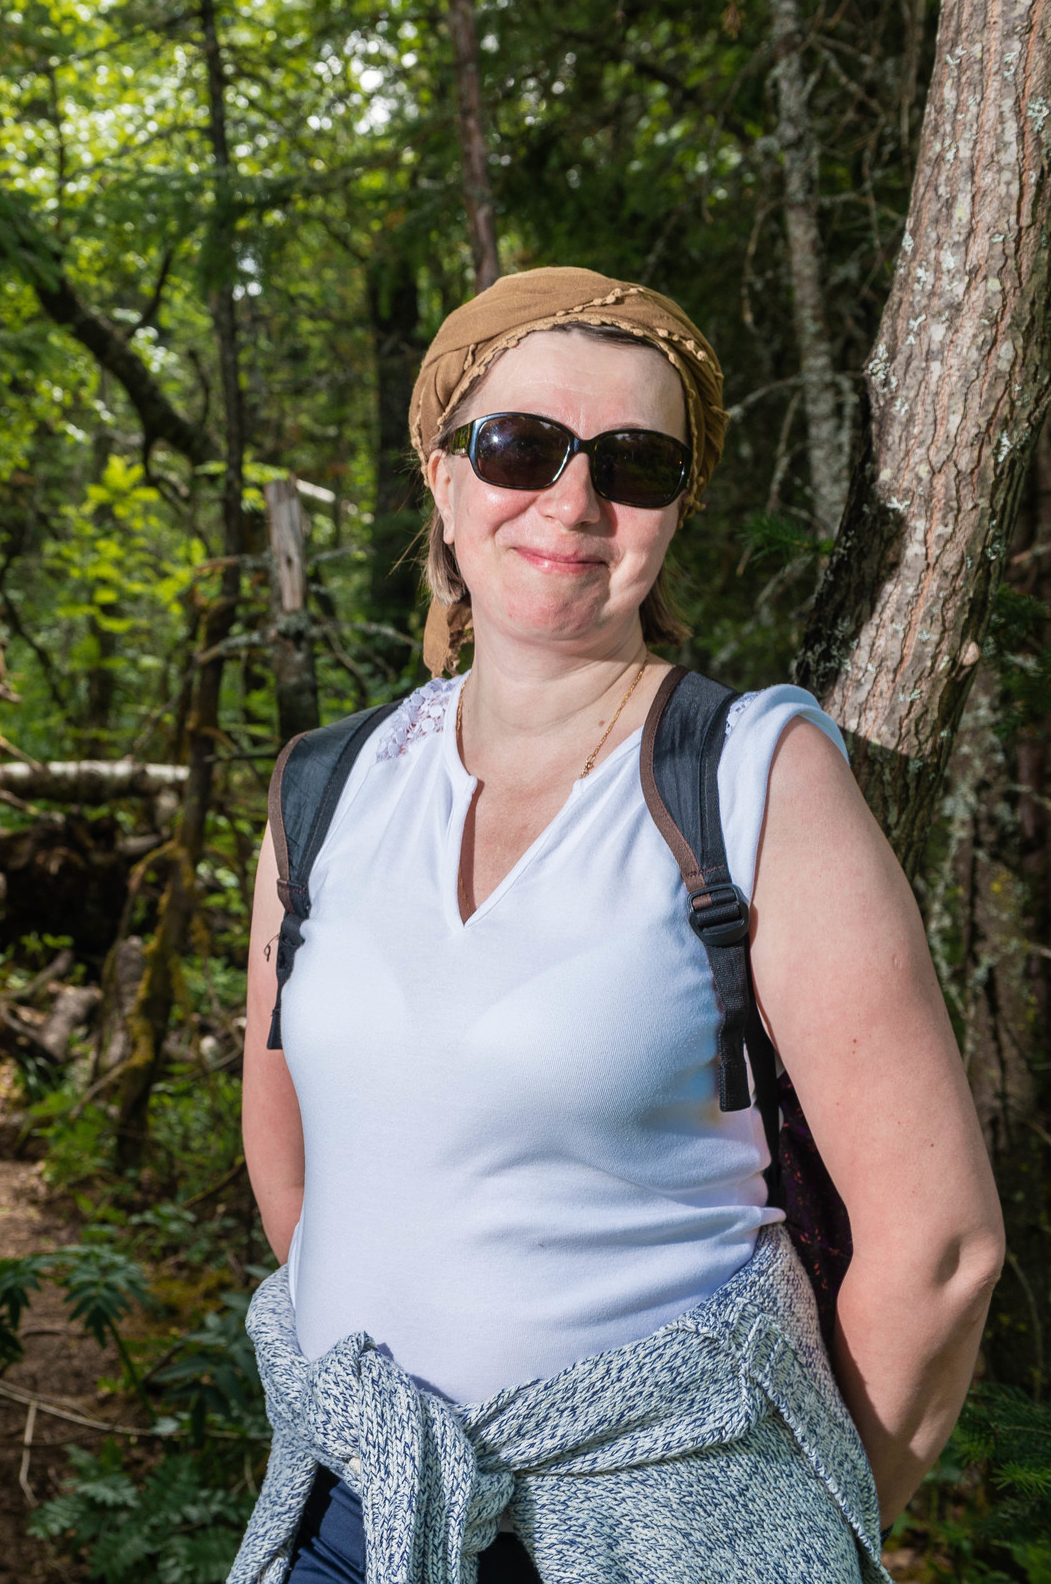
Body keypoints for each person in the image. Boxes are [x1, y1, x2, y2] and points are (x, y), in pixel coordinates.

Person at [234, 268, 1003, 1584]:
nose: (573, 499)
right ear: (443, 476)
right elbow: (291, 1160)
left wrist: (788, 1524)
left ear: (675, 509)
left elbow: (939, 1249)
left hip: (673, 1537)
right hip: (352, 1518)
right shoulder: (327, 786)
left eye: (634, 463)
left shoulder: (752, 774)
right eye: (519, 445)